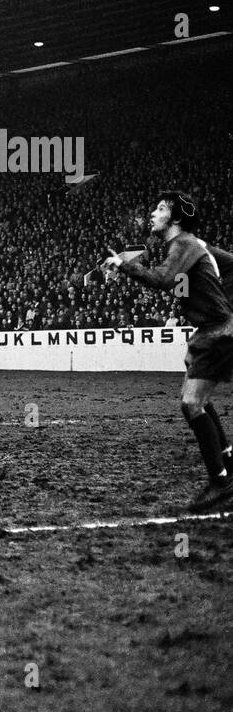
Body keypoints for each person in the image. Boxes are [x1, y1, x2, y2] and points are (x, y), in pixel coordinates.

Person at [104, 191, 233, 511]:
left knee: (191, 402)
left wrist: (124, 264)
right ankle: (228, 458)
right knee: (192, 374)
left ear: (175, 219)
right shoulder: (195, 245)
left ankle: (221, 481)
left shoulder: (185, 244)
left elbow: (163, 279)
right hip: (213, 330)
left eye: (160, 209)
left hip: (218, 331)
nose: (152, 213)